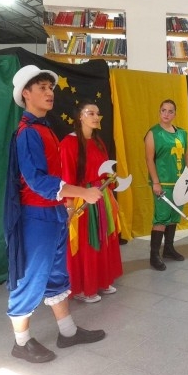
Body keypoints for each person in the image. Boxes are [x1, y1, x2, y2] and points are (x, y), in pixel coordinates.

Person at [4, 65, 106, 364]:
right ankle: (21, 342)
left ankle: (68, 332)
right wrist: (82, 192)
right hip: (36, 217)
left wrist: (65, 204)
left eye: (51, 88)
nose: (50, 93)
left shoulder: (45, 128)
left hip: (53, 213)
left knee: (57, 275)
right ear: (26, 94)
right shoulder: (27, 133)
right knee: (30, 278)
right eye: (42, 88)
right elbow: (37, 181)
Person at [59, 102, 123, 303]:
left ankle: (101, 281)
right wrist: (70, 206)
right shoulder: (68, 143)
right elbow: (66, 177)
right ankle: (83, 288)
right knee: (86, 243)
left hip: (101, 198)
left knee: (103, 239)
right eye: (90, 113)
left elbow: (104, 171)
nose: (96, 117)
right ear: (80, 116)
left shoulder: (98, 141)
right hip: (82, 199)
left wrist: (111, 183)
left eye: (97, 113)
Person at [144, 99, 188, 271]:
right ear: (159, 112)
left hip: (180, 182)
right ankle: (154, 255)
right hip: (163, 183)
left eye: (170, 111)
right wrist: (156, 182)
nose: (166, 114)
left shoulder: (182, 133)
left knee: (174, 216)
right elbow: (149, 159)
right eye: (163, 110)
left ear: (175, 114)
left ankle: (169, 249)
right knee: (161, 218)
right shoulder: (153, 133)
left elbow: (187, 156)